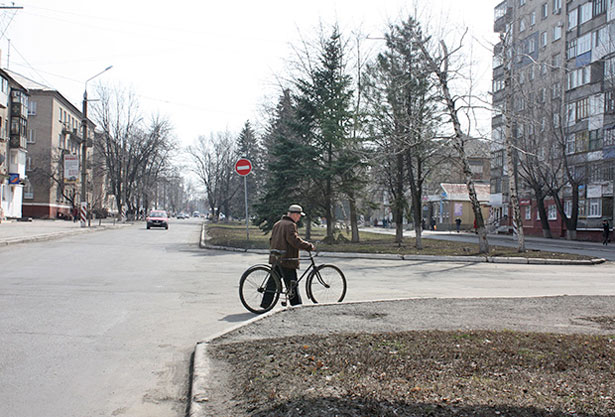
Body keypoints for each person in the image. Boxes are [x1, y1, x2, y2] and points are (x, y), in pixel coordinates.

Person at [265, 204, 315, 307]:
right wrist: (308, 246)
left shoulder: (277, 224)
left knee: (272, 283)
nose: (299, 217)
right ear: (294, 215)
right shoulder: (290, 225)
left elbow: (271, 240)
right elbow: (294, 241)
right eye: (299, 215)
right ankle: (296, 306)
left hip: (277, 258)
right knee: (292, 285)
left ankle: (265, 304)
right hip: (287, 259)